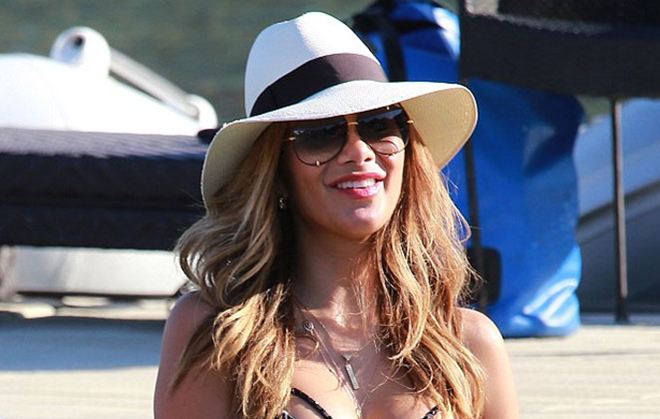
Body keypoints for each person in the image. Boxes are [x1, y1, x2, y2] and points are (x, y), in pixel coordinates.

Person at [154, 11, 518, 419]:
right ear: (275, 174)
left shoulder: (467, 343)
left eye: (379, 125)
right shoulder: (218, 334)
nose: (359, 152)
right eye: (321, 133)